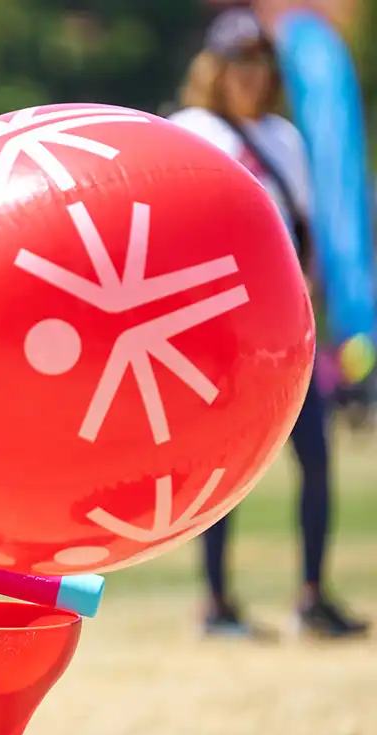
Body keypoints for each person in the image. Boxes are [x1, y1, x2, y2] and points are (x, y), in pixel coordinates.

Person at [168, 8, 368, 639]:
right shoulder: (192, 130)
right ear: (215, 69)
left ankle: (312, 593)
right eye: (239, 63)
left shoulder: (284, 136)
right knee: (221, 470)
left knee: (314, 455)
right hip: (218, 329)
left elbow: (301, 233)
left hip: (283, 330)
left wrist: (314, 310)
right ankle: (216, 603)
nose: (250, 76)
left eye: (259, 63)